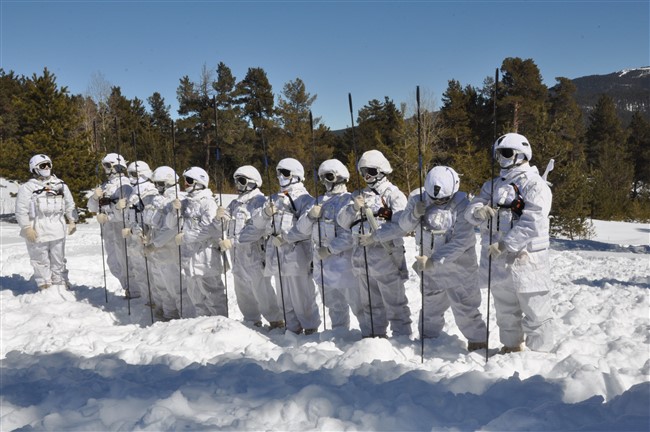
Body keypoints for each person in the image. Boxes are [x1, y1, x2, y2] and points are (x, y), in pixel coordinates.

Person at [465, 132, 554, 353]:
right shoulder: (492, 185)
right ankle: (511, 347)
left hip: (527, 261)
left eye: (505, 153)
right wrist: (478, 211)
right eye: (498, 154)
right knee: (505, 309)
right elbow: (470, 212)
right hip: (497, 261)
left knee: (536, 311)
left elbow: (533, 220)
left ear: (521, 154)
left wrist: (507, 245)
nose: (501, 159)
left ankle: (540, 354)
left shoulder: (535, 185)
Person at [399, 166, 487, 351]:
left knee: (466, 308)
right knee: (430, 308)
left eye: (444, 199)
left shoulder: (463, 204)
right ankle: (428, 343)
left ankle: (478, 345)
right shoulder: (417, 199)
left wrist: (434, 260)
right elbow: (403, 225)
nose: (439, 202)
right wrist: (414, 214)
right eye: (435, 199)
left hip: (460, 268)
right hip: (430, 269)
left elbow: (462, 240)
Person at [337, 150, 412, 338]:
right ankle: (373, 338)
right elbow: (342, 221)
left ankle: (402, 338)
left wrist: (375, 237)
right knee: (370, 303)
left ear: (381, 170)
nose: (367, 176)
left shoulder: (394, 195)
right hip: (362, 259)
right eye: (363, 172)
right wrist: (353, 208)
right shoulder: (357, 195)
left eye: (370, 171)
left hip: (386, 256)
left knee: (395, 303)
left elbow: (402, 226)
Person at [247, 158, 321, 335]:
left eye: (285, 173)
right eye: (278, 173)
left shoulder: (305, 200)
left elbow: (306, 229)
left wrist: (286, 238)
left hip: (297, 256)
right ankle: (291, 329)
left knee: (302, 295)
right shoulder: (273, 199)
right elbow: (256, 224)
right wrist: (265, 213)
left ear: (296, 175)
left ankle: (310, 328)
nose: (280, 176)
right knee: (284, 298)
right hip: (276, 256)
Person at [295, 159, 364, 332]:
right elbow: (302, 230)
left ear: (340, 177)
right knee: (333, 305)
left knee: (358, 304)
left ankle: (369, 335)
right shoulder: (317, 201)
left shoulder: (349, 200)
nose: (325, 182)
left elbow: (351, 235)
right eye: (322, 177)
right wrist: (311, 215)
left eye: (329, 176)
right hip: (322, 263)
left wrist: (331, 249)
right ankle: (340, 334)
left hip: (343, 264)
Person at [216, 165, 284, 329]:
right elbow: (228, 226)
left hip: (254, 255)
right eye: (236, 182)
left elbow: (256, 230)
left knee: (261, 289)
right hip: (237, 256)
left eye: (241, 181)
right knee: (242, 290)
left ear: (253, 182)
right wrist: (221, 219)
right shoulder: (235, 203)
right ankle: (251, 320)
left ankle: (275, 320)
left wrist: (234, 241)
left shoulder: (259, 202)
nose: (238, 185)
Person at [15, 154, 77, 290]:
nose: (47, 168)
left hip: (58, 229)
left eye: (49, 164)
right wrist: (26, 228)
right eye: (43, 165)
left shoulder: (60, 185)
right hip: (37, 230)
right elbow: (21, 210)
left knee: (58, 259)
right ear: (35, 168)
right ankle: (45, 285)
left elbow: (70, 204)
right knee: (40, 259)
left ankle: (61, 283)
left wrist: (72, 220)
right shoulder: (27, 188)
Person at [172, 166, 228, 317]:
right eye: (186, 180)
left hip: (205, 256)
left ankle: (220, 323)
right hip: (189, 256)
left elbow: (210, 229)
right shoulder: (186, 202)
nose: (186, 184)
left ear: (199, 183)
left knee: (213, 294)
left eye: (189, 181)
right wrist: (174, 211)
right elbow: (175, 224)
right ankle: (202, 324)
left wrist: (186, 237)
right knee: (195, 295)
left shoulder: (208, 202)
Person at [87, 153, 134, 298]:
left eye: (107, 166)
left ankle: (134, 290)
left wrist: (109, 216)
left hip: (120, 226)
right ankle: (127, 287)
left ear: (117, 166)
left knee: (125, 259)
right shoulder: (105, 186)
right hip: (108, 229)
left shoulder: (125, 185)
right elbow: (92, 207)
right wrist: (95, 198)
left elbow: (126, 210)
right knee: (113, 262)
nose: (105, 169)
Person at [141, 166, 185, 320]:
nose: (157, 187)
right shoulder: (155, 199)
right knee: (161, 285)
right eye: (156, 184)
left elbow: (172, 228)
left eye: (160, 183)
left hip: (170, 249)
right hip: (155, 250)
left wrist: (156, 244)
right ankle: (168, 314)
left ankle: (183, 316)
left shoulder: (177, 200)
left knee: (175, 286)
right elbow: (149, 220)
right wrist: (145, 235)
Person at [121, 161, 156, 302]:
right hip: (134, 239)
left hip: (145, 238)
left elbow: (150, 217)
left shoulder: (150, 192)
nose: (130, 178)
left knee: (150, 272)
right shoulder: (134, 192)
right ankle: (148, 300)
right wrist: (129, 229)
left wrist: (142, 233)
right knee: (139, 271)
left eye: (134, 175)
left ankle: (156, 301)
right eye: (129, 175)